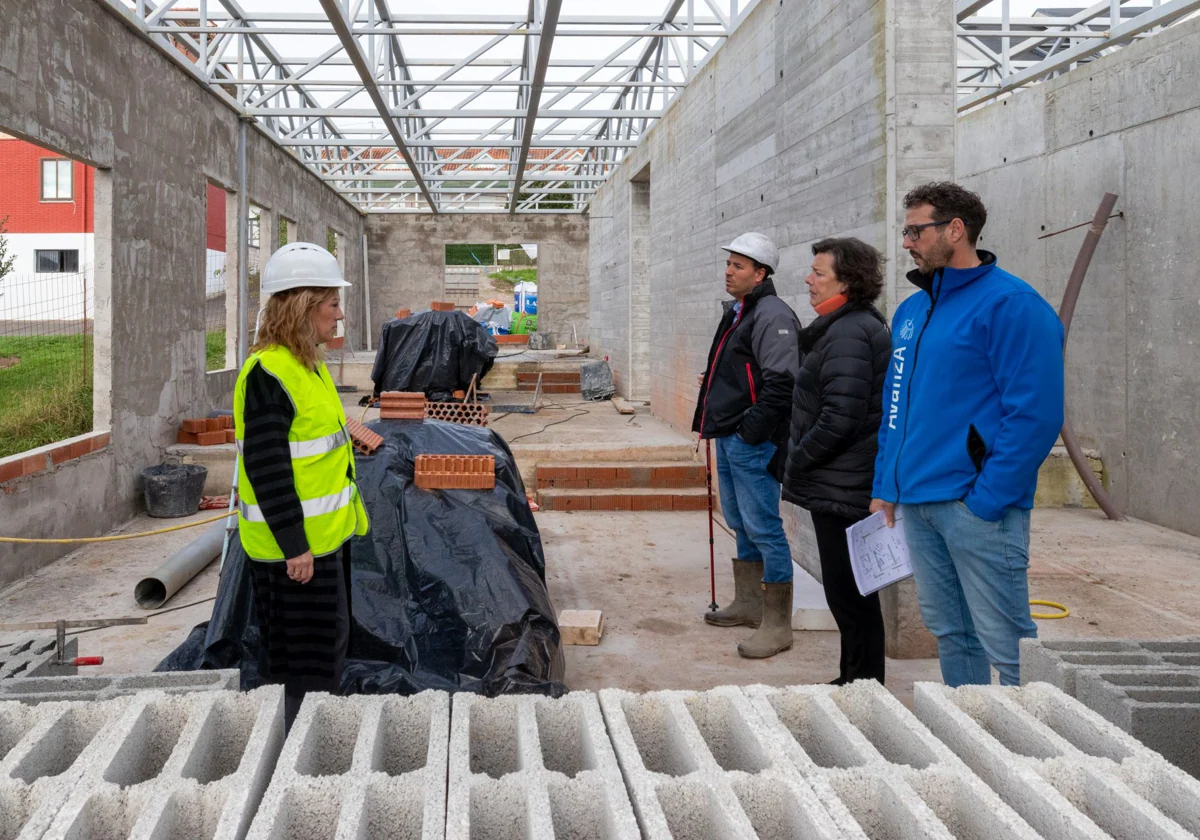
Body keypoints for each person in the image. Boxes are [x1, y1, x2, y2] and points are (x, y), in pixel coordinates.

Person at [870, 182, 1065, 687]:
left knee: (1009, 642)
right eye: (906, 230)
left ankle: (1037, 756)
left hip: (976, 507)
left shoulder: (1012, 305)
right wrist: (886, 486)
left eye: (917, 230)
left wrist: (988, 499)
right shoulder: (912, 312)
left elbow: (1036, 415)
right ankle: (973, 736)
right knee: (952, 633)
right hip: (917, 503)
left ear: (955, 231)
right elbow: (896, 406)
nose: (908, 242)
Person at [234, 241, 370, 730]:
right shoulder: (269, 375)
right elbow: (267, 469)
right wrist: (296, 548)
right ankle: (297, 755)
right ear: (303, 305)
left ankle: (314, 741)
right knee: (303, 666)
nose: (339, 314)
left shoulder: (306, 365)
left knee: (326, 652)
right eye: (332, 304)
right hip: (293, 555)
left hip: (321, 542)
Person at [778, 238, 891, 685]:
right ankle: (854, 680)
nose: (808, 279)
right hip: (840, 480)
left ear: (848, 280)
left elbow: (840, 416)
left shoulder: (849, 332)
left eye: (818, 272)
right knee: (848, 593)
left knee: (851, 594)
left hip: (844, 483)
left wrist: (797, 459)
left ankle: (863, 686)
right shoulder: (844, 327)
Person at [693, 232, 801, 659]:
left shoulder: (772, 314)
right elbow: (743, 372)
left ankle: (777, 624)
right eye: (729, 264)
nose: (729, 271)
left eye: (738, 266)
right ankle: (750, 604)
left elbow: (781, 384)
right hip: (731, 434)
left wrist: (749, 432)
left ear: (761, 273)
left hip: (750, 441)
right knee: (739, 518)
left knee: (763, 526)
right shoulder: (740, 311)